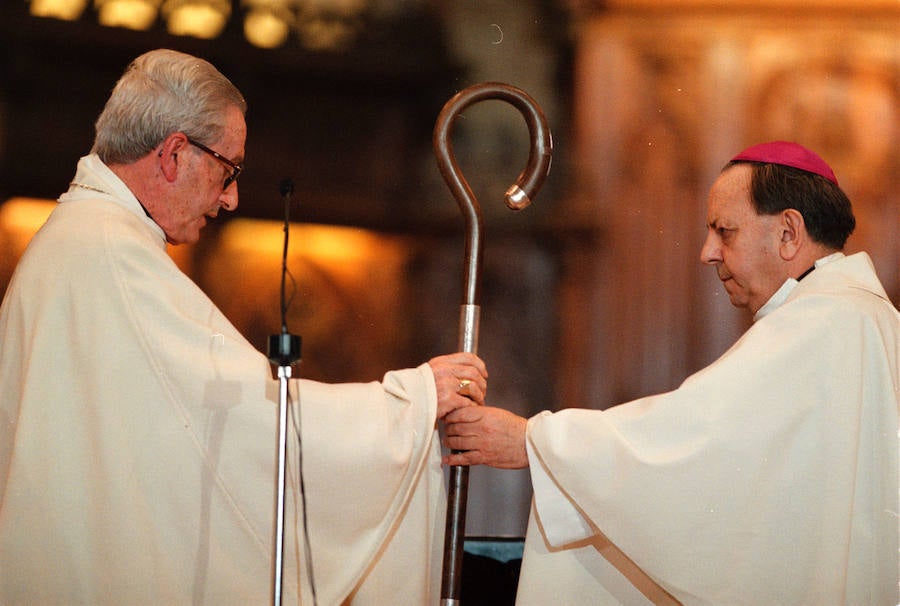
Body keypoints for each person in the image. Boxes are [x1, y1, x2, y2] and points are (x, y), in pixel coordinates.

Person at [0, 49, 488, 604]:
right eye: (228, 170)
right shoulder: (109, 255)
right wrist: (412, 402)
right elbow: (247, 423)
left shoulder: (82, 237)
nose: (231, 197)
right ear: (175, 154)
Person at [445, 141, 899, 605]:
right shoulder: (867, 320)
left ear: (788, 232)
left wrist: (532, 442)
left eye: (725, 231)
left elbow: (695, 443)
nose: (707, 253)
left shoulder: (818, 324)